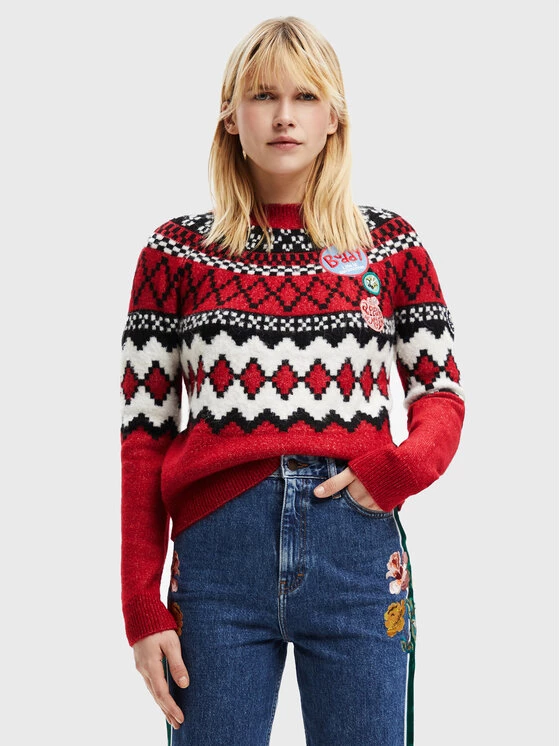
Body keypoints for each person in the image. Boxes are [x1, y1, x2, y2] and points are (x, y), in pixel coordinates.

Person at [119, 15, 465, 746]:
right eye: (263, 95)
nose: (284, 116)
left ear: (334, 115)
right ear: (230, 115)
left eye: (306, 97)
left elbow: (439, 391)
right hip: (216, 566)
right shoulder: (177, 254)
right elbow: (143, 438)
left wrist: (400, 468)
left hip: (357, 554)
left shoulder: (389, 245)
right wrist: (140, 605)